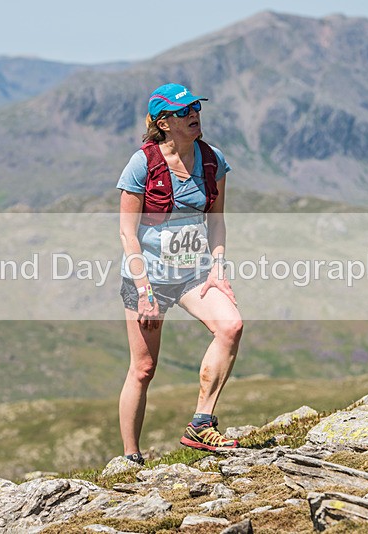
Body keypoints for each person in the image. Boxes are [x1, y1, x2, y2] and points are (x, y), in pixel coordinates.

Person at [116, 83, 243, 464]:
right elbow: (127, 231)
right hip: (148, 278)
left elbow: (217, 221)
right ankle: (130, 457)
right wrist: (144, 290)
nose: (193, 114)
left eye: (195, 107)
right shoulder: (143, 163)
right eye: (183, 110)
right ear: (163, 122)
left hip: (193, 274)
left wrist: (217, 267)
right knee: (144, 368)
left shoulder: (212, 160)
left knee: (231, 326)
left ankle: (201, 423)